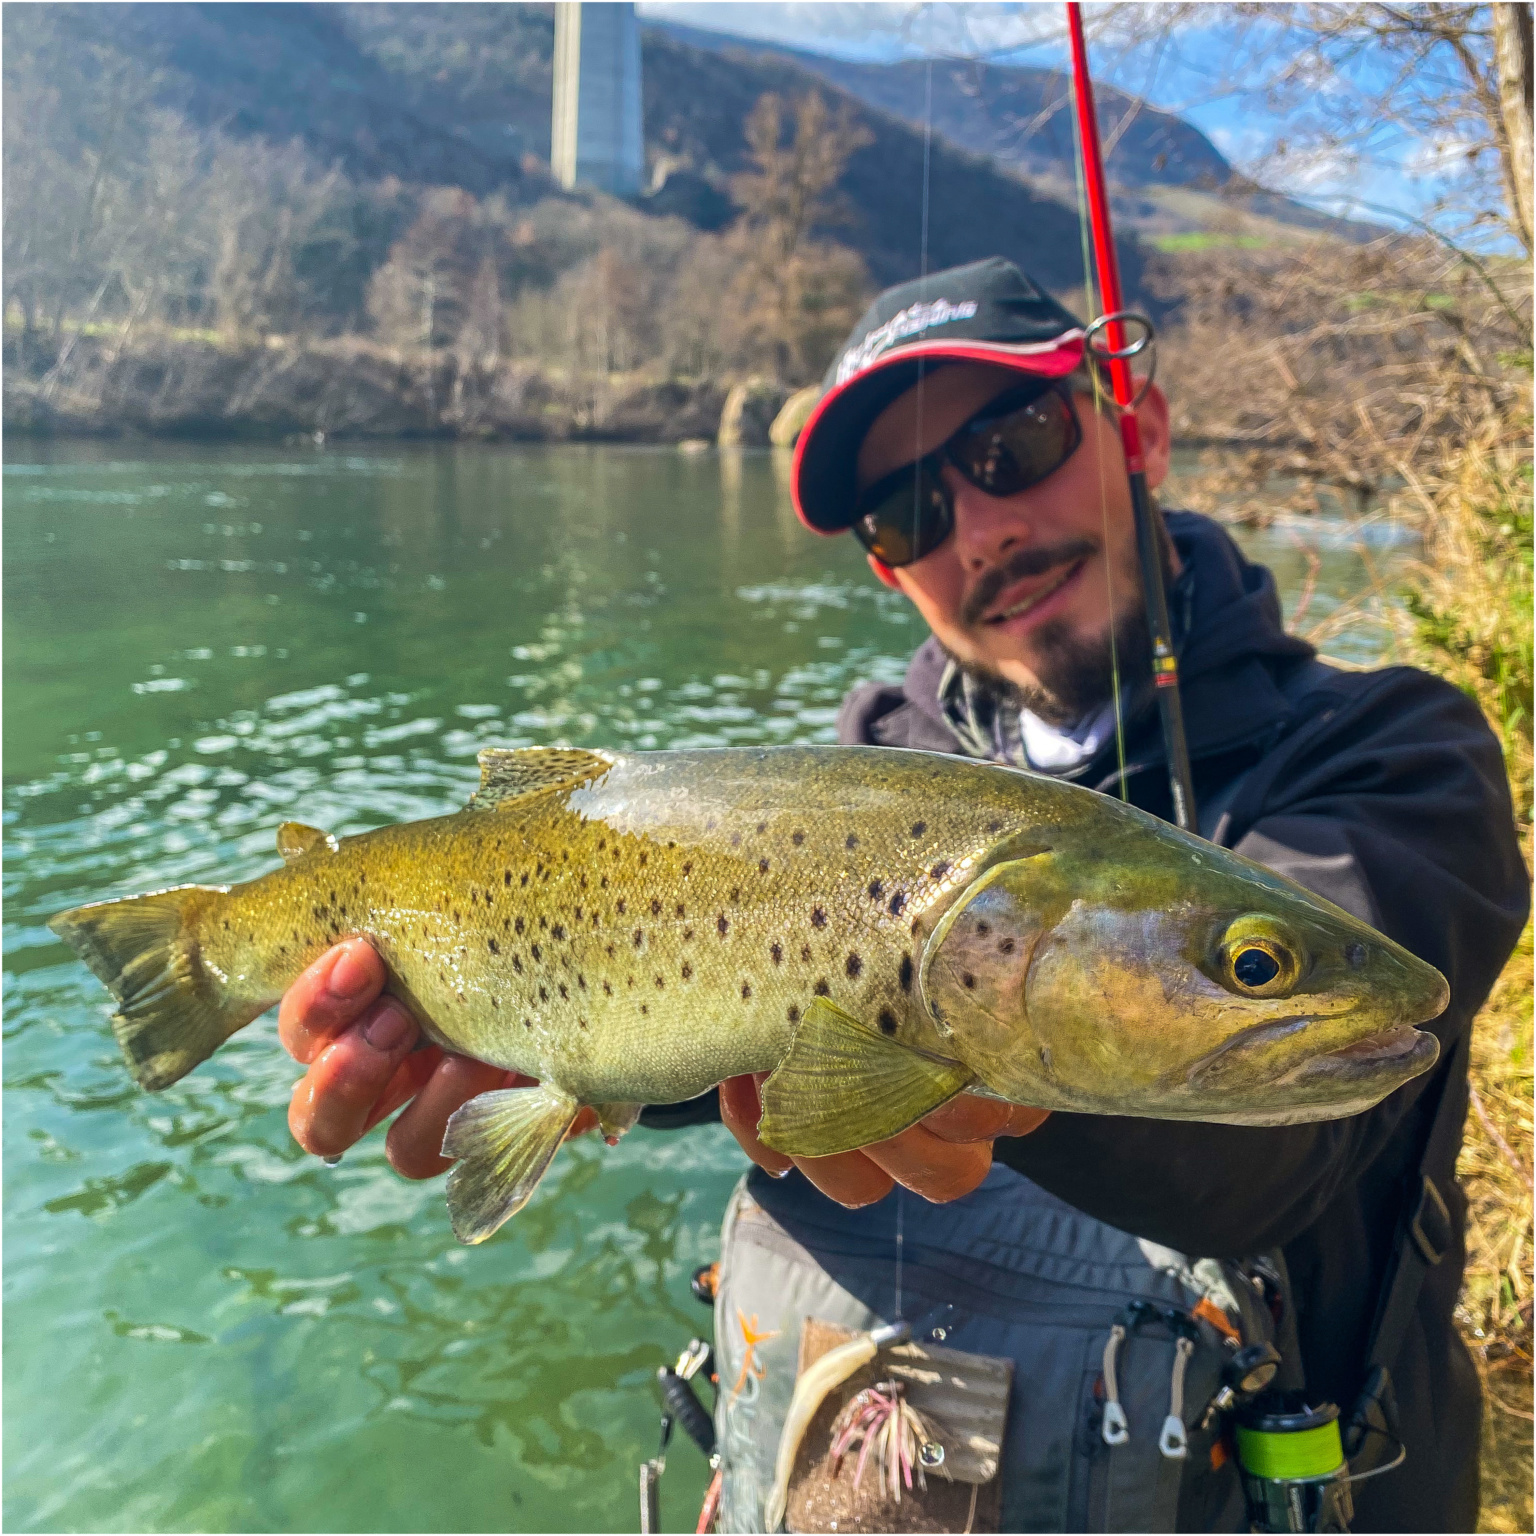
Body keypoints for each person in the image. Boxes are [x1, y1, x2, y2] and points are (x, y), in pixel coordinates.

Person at [276, 258, 1528, 1531]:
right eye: (906, 512)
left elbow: (1281, 1159)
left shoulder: (1396, 754)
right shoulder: (857, 777)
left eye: (1016, 442)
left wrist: (965, 1038)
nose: (977, 530)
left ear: (1136, 426)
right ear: (887, 571)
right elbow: (742, 1023)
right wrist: (545, 1046)